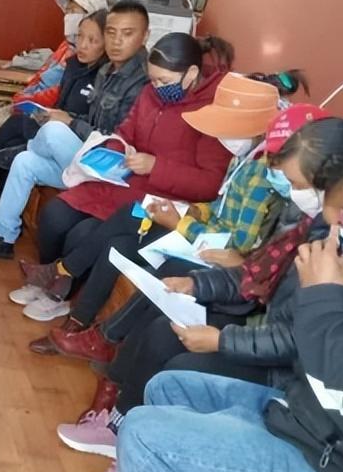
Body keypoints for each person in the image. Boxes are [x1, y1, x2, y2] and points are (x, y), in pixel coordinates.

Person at [68, 155, 343, 472]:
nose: (332, 239)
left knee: (144, 432)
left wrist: (325, 298)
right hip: (303, 421)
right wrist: (328, 297)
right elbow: (304, 344)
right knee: (170, 388)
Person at [40, 96, 324, 361]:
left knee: (137, 228)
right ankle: (81, 322)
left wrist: (181, 223)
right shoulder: (244, 158)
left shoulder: (263, 175)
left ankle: (70, 283)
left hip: (217, 253)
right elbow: (219, 207)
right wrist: (191, 210)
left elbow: (238, 245)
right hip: (207, 235)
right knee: (120, 243)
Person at [11, 39, 237, 323]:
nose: (156, 87)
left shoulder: (212, 113)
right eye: (152, 79)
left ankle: (59, 292)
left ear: (191, 73)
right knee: (55, 214)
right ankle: (51, 279)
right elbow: (126, 131)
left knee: (83, 233)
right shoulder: (150, 93)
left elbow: (209, 184)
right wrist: (114, 149)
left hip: (161, 199)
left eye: (163, 81)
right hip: (122, 181)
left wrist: (156, 166)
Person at [0, 1, 151, 261]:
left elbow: (114, 138)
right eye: (111, 32)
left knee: (53, 131)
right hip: (83, 160)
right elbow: (91, 120)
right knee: (25, 162)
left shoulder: (143, 82)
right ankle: (2, 237)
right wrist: (67, 117)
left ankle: (27, 145)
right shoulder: (107, 71)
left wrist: (69, 122)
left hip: (108, 168)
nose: (117, 41)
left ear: (145, 36)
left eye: (127, 34)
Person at [0, 3, 109, 206]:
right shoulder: (74, 66)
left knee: (17, 127)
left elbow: (91, 122)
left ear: (106, 44)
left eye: (92, 40)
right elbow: (59, 99)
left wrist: (64, 118)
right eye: (80, 37)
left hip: (71, 138)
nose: (83, 45)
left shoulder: (104, 78)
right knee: (12, 136)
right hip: (54, 122)